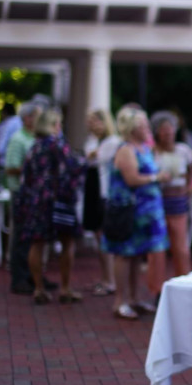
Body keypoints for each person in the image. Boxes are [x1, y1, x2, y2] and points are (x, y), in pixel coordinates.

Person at [103, 107, 170, 320]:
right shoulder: (126, 150)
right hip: (129, 212)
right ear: (132, 129)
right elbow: (132, 179)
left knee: (137, 255)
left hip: (145, 213)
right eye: (143, 125)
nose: (147, 129)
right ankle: (120, 300)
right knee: (124, 253)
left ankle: (134, 298)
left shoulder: (143, 148)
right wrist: (157, 178)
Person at [16, 109, 86, 305]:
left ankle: (38, 288)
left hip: (37, 201)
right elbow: (72, 167)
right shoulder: (57, 144)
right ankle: (65, 288)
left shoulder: (34, 147)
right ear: (55, 125)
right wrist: (85, 161)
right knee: (67, 242)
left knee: (37, 244)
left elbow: (26, 178)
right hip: (59, 201)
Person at [151, 110, 192, 285]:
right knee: (157, 249)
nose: (168, 134)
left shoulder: (184, 151)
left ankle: (184, 281)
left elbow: (191, 175)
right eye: (164, 130)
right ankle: (157, 287)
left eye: (170, 130)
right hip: (159, 203)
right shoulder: (153, 153)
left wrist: (187, 189)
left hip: (179, 203)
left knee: (181, 248)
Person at [5, 102, 44, 294]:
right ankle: (18, 279)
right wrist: (34, 167)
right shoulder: (18, 139)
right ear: (27, 118)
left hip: (33, 194)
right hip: (21, 193)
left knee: (32, 238)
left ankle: (33, 276)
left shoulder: (35, 138)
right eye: (37, 116)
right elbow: (10, 167)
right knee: (20, 237)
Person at [83, 109, 118, 296]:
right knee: (98, 235)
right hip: (93, 189)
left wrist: (92, 155)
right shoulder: (92, 141)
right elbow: (89, 158)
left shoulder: (112, 142)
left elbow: (96, 158)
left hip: (104, 191)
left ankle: (111, 280)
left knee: (105, 236)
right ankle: (105, 278)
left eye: (95, 121)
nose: (91, 125)